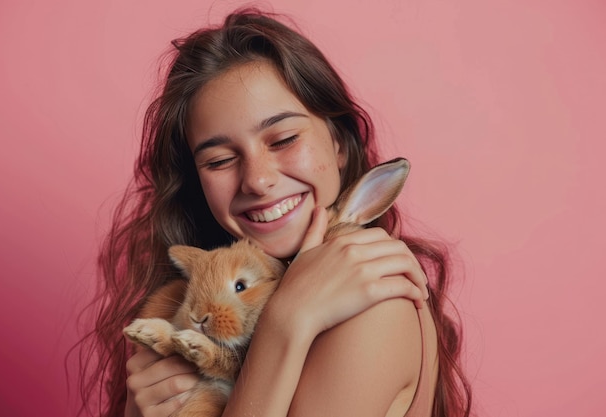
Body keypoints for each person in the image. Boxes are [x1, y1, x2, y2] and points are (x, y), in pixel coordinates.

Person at [77, 8, 471, 417]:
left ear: (338, 143)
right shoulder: (219, 311)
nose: (258, 180)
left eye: (282, 139)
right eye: (219, 161)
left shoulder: (374, 308)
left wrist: (286, 321)